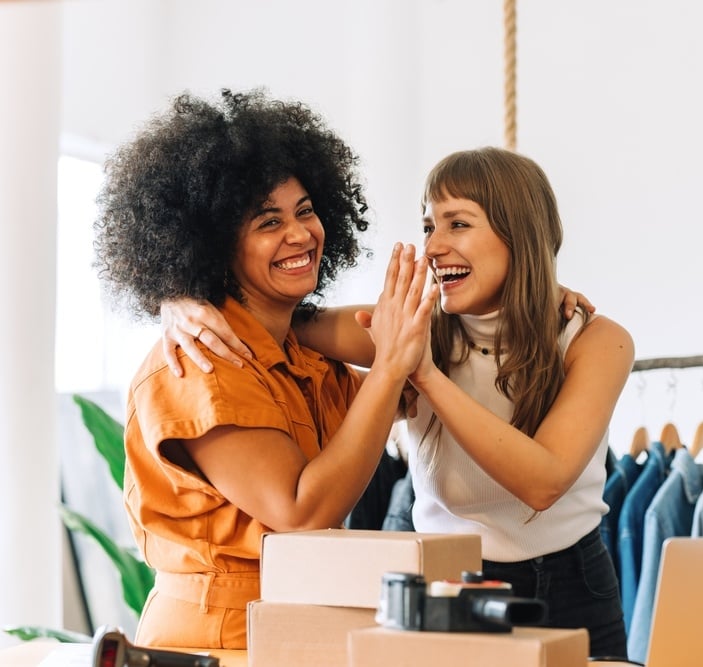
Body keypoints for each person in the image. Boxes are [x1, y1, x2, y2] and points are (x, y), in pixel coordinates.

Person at [164, 147, 634, 658]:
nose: (433, 246)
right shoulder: (412, 327)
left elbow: (543, 483)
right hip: (445, 584)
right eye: (429, 226)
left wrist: (425, 373)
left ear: (518, 233)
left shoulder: (595, 341)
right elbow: (272, 314)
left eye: (458, 224)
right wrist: (180, 297)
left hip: (572, 583)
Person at [92, 88, 434, 649]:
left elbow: (412, 357)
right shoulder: (199, 363)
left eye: (305, 211)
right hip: (217, 639)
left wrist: (540, 299)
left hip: (288, 622)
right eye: (267, 222)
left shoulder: (296, 354)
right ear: (214, 246)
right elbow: (301, 511)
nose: (299, 234)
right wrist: (393, 364)